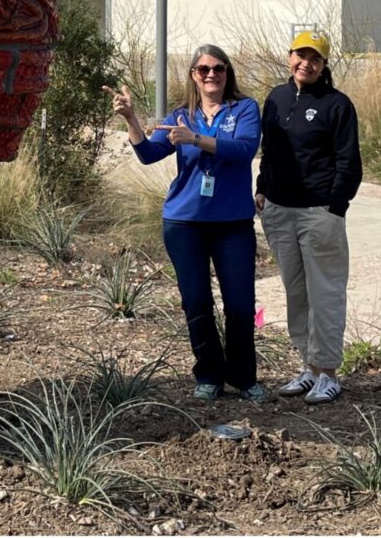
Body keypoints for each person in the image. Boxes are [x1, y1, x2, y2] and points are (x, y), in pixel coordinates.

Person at [104, 45, 263, 403]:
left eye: (218, 69)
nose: (211, 75)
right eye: (203, 69)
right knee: (196, 302)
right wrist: (130, 119)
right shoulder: (181, 115)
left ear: (227, 73)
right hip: (184, 223)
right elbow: (148, 154)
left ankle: (243, 377)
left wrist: (196, 140)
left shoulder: (245, 108)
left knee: (239, 304)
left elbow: (244, 150)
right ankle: (209, 375)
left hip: (233, 224)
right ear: (193, 74)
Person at [255, 30, 362, 405]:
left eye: (315, 58)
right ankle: (309, 368)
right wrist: (262, 188)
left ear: (323, 64)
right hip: (280, 211)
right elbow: (269, 151)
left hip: (320, 213)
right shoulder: (276, 98)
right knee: (296, 293)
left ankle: (329, 373)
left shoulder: (337, 105)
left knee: (325, 293)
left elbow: (349, 162)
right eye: (301, 55)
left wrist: (336, 206)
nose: (307, 63)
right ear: (289, 57)